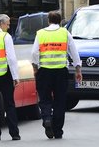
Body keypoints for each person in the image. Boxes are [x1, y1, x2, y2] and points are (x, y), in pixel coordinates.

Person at [31, 10, 82, 139]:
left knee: (44, 98)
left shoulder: (40, 34)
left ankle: (47, 117)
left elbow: (34, 53)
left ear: (48, 21)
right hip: (61, 71)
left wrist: (35, 67)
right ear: (60, 21)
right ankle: (58, 130)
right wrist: (78, 69)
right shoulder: (65, 33)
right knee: (60, 100)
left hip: (44, 71)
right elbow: (74, 52)